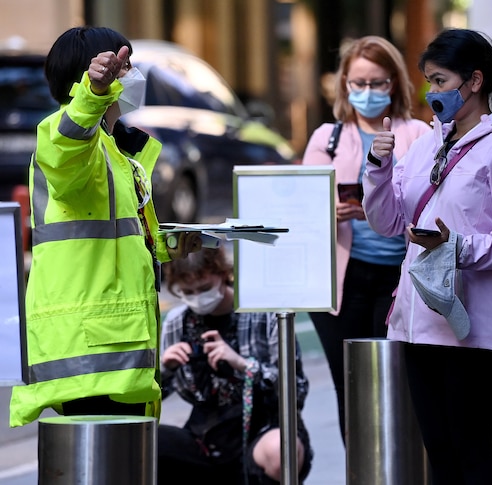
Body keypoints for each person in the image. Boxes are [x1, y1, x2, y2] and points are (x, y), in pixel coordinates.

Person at [363, 28, 492, 483]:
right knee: (441, 455)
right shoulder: (427, 143)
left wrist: (455, 248)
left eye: (441, 80)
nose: (433, 92)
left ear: (475, 81)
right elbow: (389, 222)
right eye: (429, 81)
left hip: (478, 326)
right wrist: (378, 166)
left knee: (473, 451)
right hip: (420, 320)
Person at [9, 26, 201, 427]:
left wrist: (169, 244)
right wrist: (93, 97)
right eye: (124, 67)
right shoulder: (69, 135)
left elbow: (113, 236)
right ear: (94, 75)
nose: (133, 76)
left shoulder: (119, 152)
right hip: (93, 351)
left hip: (112, 345)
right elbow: (66, 147)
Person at [301, 35, 430, 441]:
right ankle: (361, 471)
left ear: (394, 83)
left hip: (402, 279)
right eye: (358, 83)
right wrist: (329, 209)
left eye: (377, 82)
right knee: (352, 390)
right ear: (344, 85)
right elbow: (302, 207)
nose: (368, 92)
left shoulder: (419, 135)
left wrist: (382, 208)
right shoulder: (329, 138)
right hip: (342, 282)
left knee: (402, 387)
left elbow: (432, 202)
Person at [158, 246, 313, 484]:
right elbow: (153, 398)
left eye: (205, 288)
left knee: (278, 451)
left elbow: (297, 389)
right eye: (187, 292)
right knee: (143, 443)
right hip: (206, 435)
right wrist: (165, 369)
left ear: (223, 274)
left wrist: (242, 364)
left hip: (263, 427)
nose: (198, 298)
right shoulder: (177, 322)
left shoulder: (263, 314)